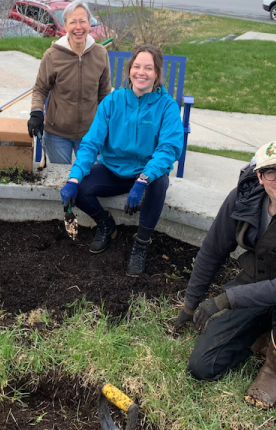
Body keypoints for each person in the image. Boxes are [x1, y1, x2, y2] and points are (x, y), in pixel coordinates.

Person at [173, 140, 276, 409]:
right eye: (270, 172)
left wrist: (227, 299)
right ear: (260, 177)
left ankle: (275, 369)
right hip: (255, 286)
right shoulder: (244, 197)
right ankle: (262, 334)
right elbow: (212, 250)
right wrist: (191, 304)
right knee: (203, 367)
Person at [59, 44, 183, 275]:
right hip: (114, 169)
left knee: (160, 185)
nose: (141, 73)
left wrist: (144, 178)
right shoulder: (112, 101)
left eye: (148, 68)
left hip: (147, 173)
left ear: (157, 73)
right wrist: (74, 178)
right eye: (136, 66)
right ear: (129, 71)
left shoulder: (167, 107)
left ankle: (141, 243)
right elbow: (91, 143)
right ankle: (106, 225)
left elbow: (169, 148)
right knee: (82, 188)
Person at [27, 0, 111, 164]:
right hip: (57, 133)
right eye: (73, 22)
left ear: (89, 24)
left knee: (89, 180)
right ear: (65, 25)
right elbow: (40, 89)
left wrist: (106, 125)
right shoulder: (53, 55)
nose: (78, 27)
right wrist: (36, 112)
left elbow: (105, 94)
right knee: (60, 181)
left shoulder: (100, 54)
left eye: (82, 21)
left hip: (90, 133)